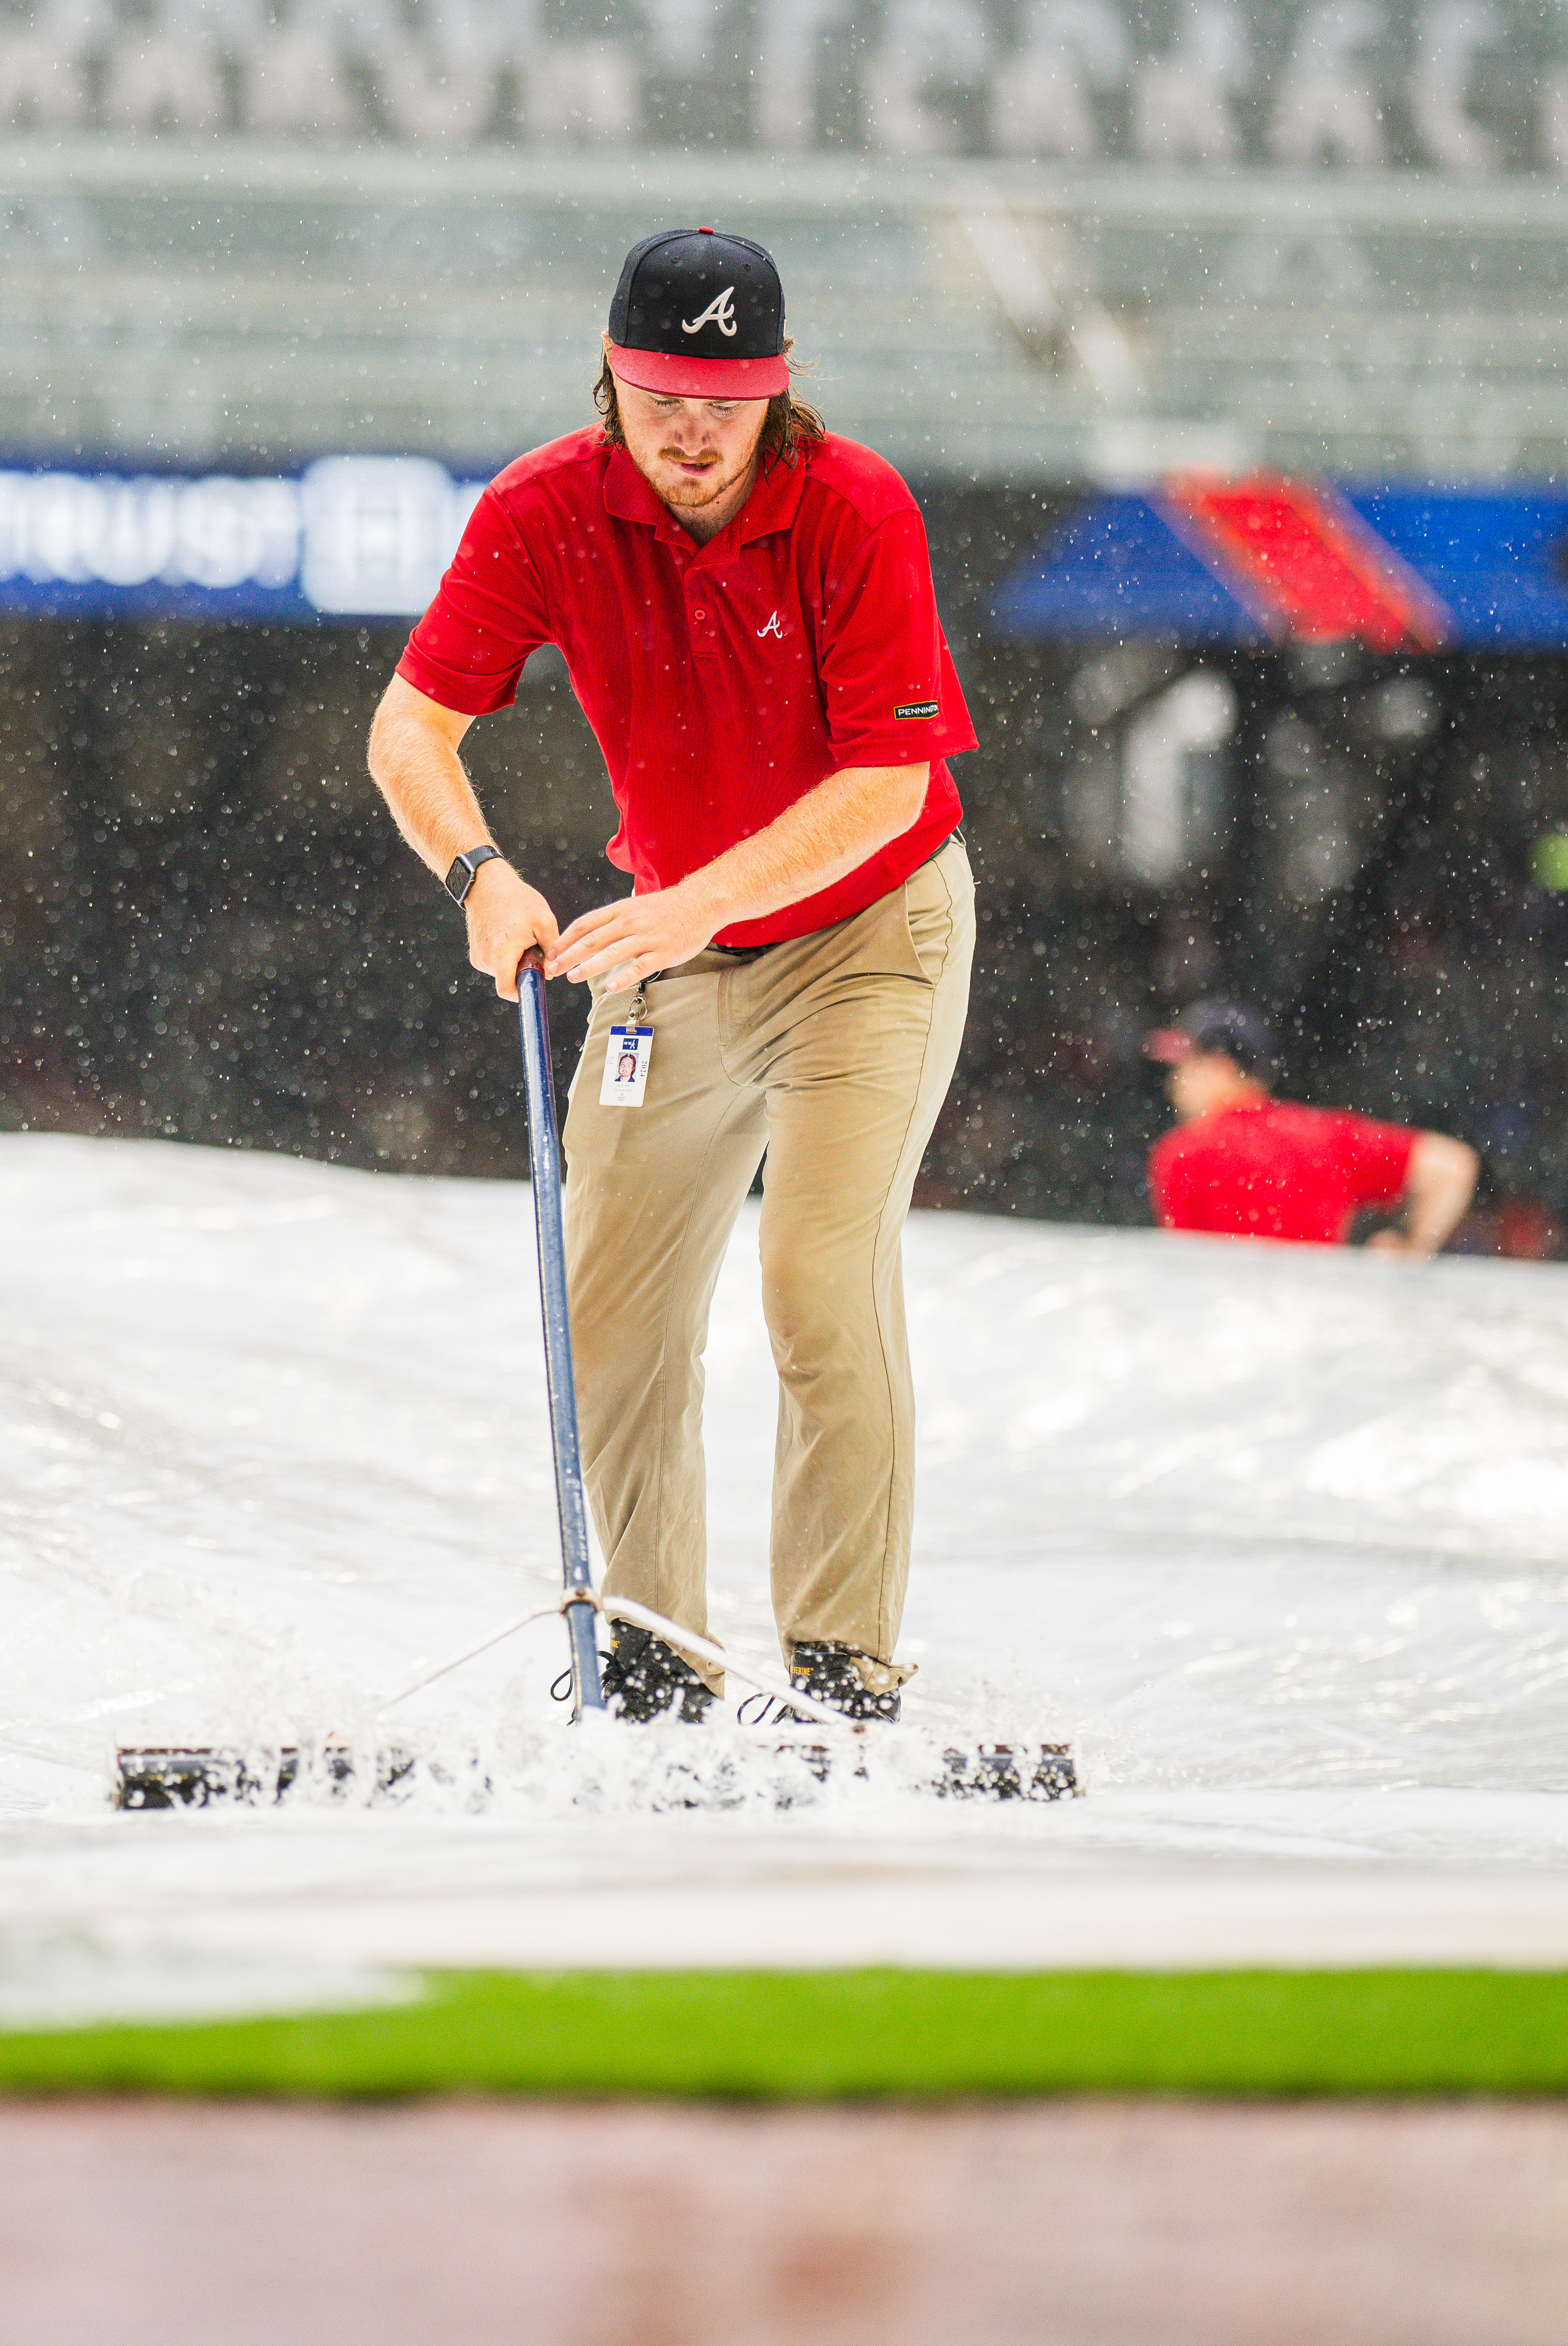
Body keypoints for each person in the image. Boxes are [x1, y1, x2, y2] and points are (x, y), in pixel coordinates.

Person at [364, 228, 977, 1729]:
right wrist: (479, 874)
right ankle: (648, 1655)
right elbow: (406, 731)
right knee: (611, 1310)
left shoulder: (852, 508)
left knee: (815, 1287)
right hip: (670, 953)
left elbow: (887, 787)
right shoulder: (538, 511)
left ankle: (841, 1667)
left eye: (727, 397)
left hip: (865, 940)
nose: (692, 431)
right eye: (660, 397)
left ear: (777, 392)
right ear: (609, 385)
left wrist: (696, 902)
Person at [1147, 1000, 1476, 1253]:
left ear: (1220, 1066)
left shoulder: (1179, 1154)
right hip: (1315, 1327)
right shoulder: (1327, 1137)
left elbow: (1188, 1273)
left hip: (1228, 1329)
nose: (1173, 1084)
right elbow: (1452, 1167)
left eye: (1184, 1068)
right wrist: (1411, 1250)